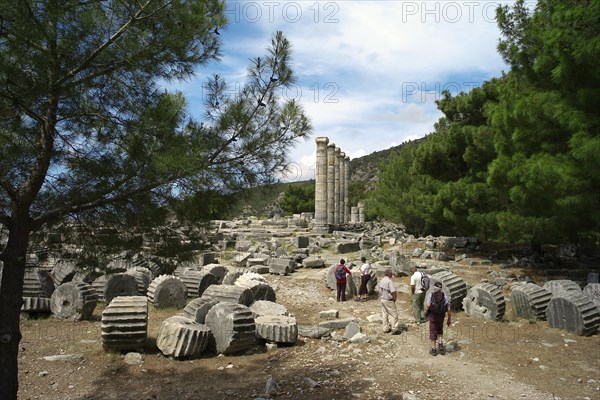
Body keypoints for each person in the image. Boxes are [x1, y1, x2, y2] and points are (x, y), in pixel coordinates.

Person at [425, 281, 451, 356]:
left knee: (433, 331)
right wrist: (449, 319)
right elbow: (449, 308)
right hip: (441, 316)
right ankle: (440, 344)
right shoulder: (444, 296)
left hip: (433, 316)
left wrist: (426, 312)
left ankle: (433, 349)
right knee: (440, 329)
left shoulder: (431, 295)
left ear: (434, 287)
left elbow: (428, 305)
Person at [378, 269, 400, 334]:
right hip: (389, 300)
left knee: (384, 314)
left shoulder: (382, 280)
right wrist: (394, 299)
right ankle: (394, 329)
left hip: (383, 299)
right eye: (391, 273)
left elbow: (379, 290)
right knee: (393, 315)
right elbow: (393, 291)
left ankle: (385, 328)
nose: (392, 274)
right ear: (389, 274)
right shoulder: (389, 281)